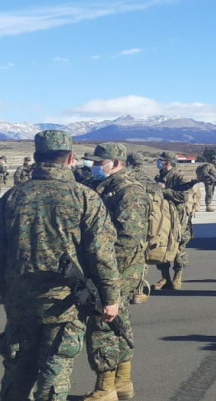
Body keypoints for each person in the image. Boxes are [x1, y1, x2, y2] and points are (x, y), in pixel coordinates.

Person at [0, 131, 120, 400]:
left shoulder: (12, 197)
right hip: (64, 303)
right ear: (70, 159)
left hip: (19, 302)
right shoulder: (84, 198)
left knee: (17, 370)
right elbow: (101, 253)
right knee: (54, 373)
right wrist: (111, 298)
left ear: (37, 157)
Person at [84, 143, 150, 400]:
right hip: (109, 267)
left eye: (101, 162)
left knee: (103, 326)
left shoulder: (128, 191)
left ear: (117, 162)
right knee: (118, 324)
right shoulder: (106, 187)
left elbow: (127, 239)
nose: (95, 166)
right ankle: (123, 382)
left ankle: (105, 388)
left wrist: (105, 272)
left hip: (118, 269)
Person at [152, 151, 197, 291]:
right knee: (162, 244)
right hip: (163, 215)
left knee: (178, 244)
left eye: (162, 160)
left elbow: (182, 196)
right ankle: (165, 277)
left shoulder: (179, 177)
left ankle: (178, 276)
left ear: (169, 162)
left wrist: (165, 191)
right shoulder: (159, 176)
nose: (159, 162)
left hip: (178, 215)